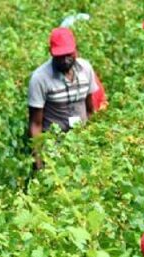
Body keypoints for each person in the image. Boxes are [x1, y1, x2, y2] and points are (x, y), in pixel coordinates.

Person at [27, 28, 100, 169]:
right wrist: (39, 162)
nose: (65, 60)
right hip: (54, 148)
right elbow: (35, 124)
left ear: (76, 50)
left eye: (69, 54)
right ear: (51, 53)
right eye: (60, 56)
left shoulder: (86, 69)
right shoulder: (40, 78)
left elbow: (90, 109)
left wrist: (91, 141)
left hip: (81, 143)